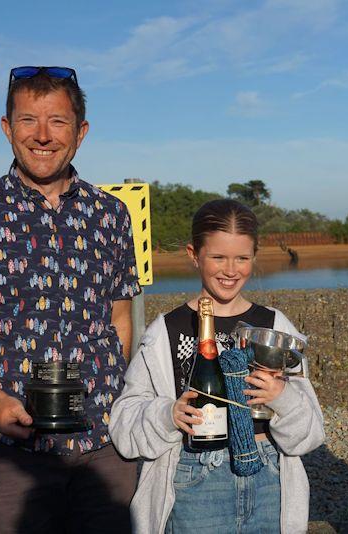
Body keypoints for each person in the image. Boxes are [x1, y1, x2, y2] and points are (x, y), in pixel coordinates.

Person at [0, 66, 141, 533]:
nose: (43, 136)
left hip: (106, 443)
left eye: (58, 121)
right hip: (10, 448)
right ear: (7, 128)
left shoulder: (111, 216)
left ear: (81, 132)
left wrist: (111, 399)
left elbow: (121, 322)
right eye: (28, 120)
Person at [109, 198, 325, 534]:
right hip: (191, 480)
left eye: (242, 258)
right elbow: (124, 426)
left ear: (254, 256)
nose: (230, 270)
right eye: (218, 257)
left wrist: (282, 395)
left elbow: (309, 435)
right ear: (194, 255)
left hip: (269, 478)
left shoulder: (275, 327)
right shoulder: (166, 330)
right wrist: (168, 415)